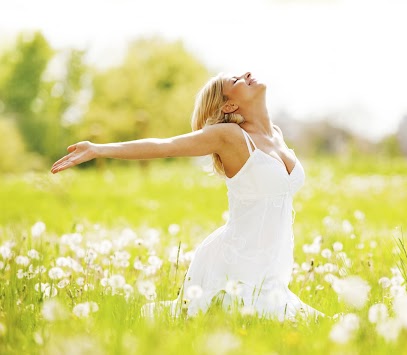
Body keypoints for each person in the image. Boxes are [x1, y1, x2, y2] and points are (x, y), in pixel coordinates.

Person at [51, 71, 324, 321]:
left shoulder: (276, 134)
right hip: (237, 265)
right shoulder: (229, 136)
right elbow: (164, 146)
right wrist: (99, 149)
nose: (247, 74)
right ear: (228, 106)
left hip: (271, 269)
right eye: (236, 80)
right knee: (252, 321)